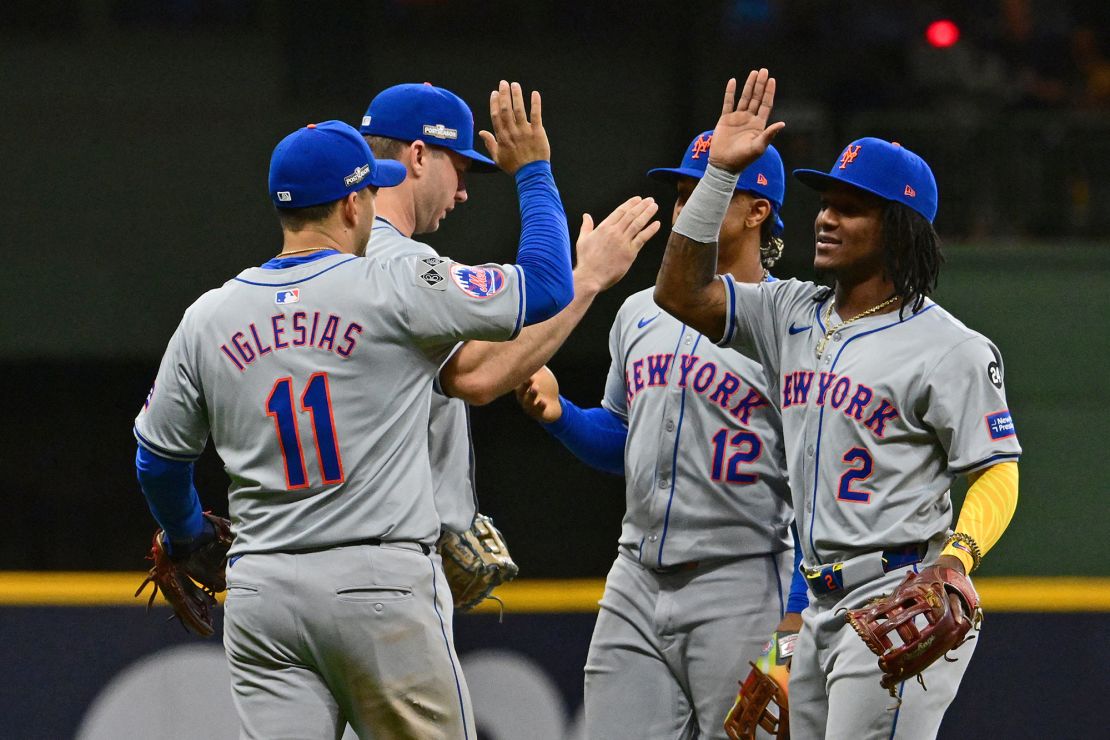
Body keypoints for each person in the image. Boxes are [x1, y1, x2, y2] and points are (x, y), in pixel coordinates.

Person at [133, 103, 575, 738]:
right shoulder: (393, 285)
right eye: (372, 190)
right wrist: (534, 173)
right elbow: (548, 287)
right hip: (379, 584)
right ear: (350, 206)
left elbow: (158, 459)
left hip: (264, 592)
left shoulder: (209, 315)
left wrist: (185, 538)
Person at [654, 69, 1021, 739]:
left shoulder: (951, 348)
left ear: (900, 225)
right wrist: (717, 180)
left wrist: (957, 557)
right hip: (818, 607)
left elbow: (997, 468)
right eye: (826, 201)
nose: (826, 216)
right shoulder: (790, 311)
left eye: (852, 206)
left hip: (902, 592)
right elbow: (680, 295)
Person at [516, 132, 808, 739]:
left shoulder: (792, 323)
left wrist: (797, 608)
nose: (686, 204)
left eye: (706, 188)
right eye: (681, 191)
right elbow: (624, 440)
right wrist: (561, 416)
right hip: (637, 575)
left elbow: (818, 476)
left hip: (744, 578)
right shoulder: (640, 312)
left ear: (760, 211)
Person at [360, 81, 660, 540]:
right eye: (459, 168)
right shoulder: (403, 266)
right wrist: (536, 174)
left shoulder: (332, 261)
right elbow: (478, 374)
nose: (462, 192)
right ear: (418, 156)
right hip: (382, 554)